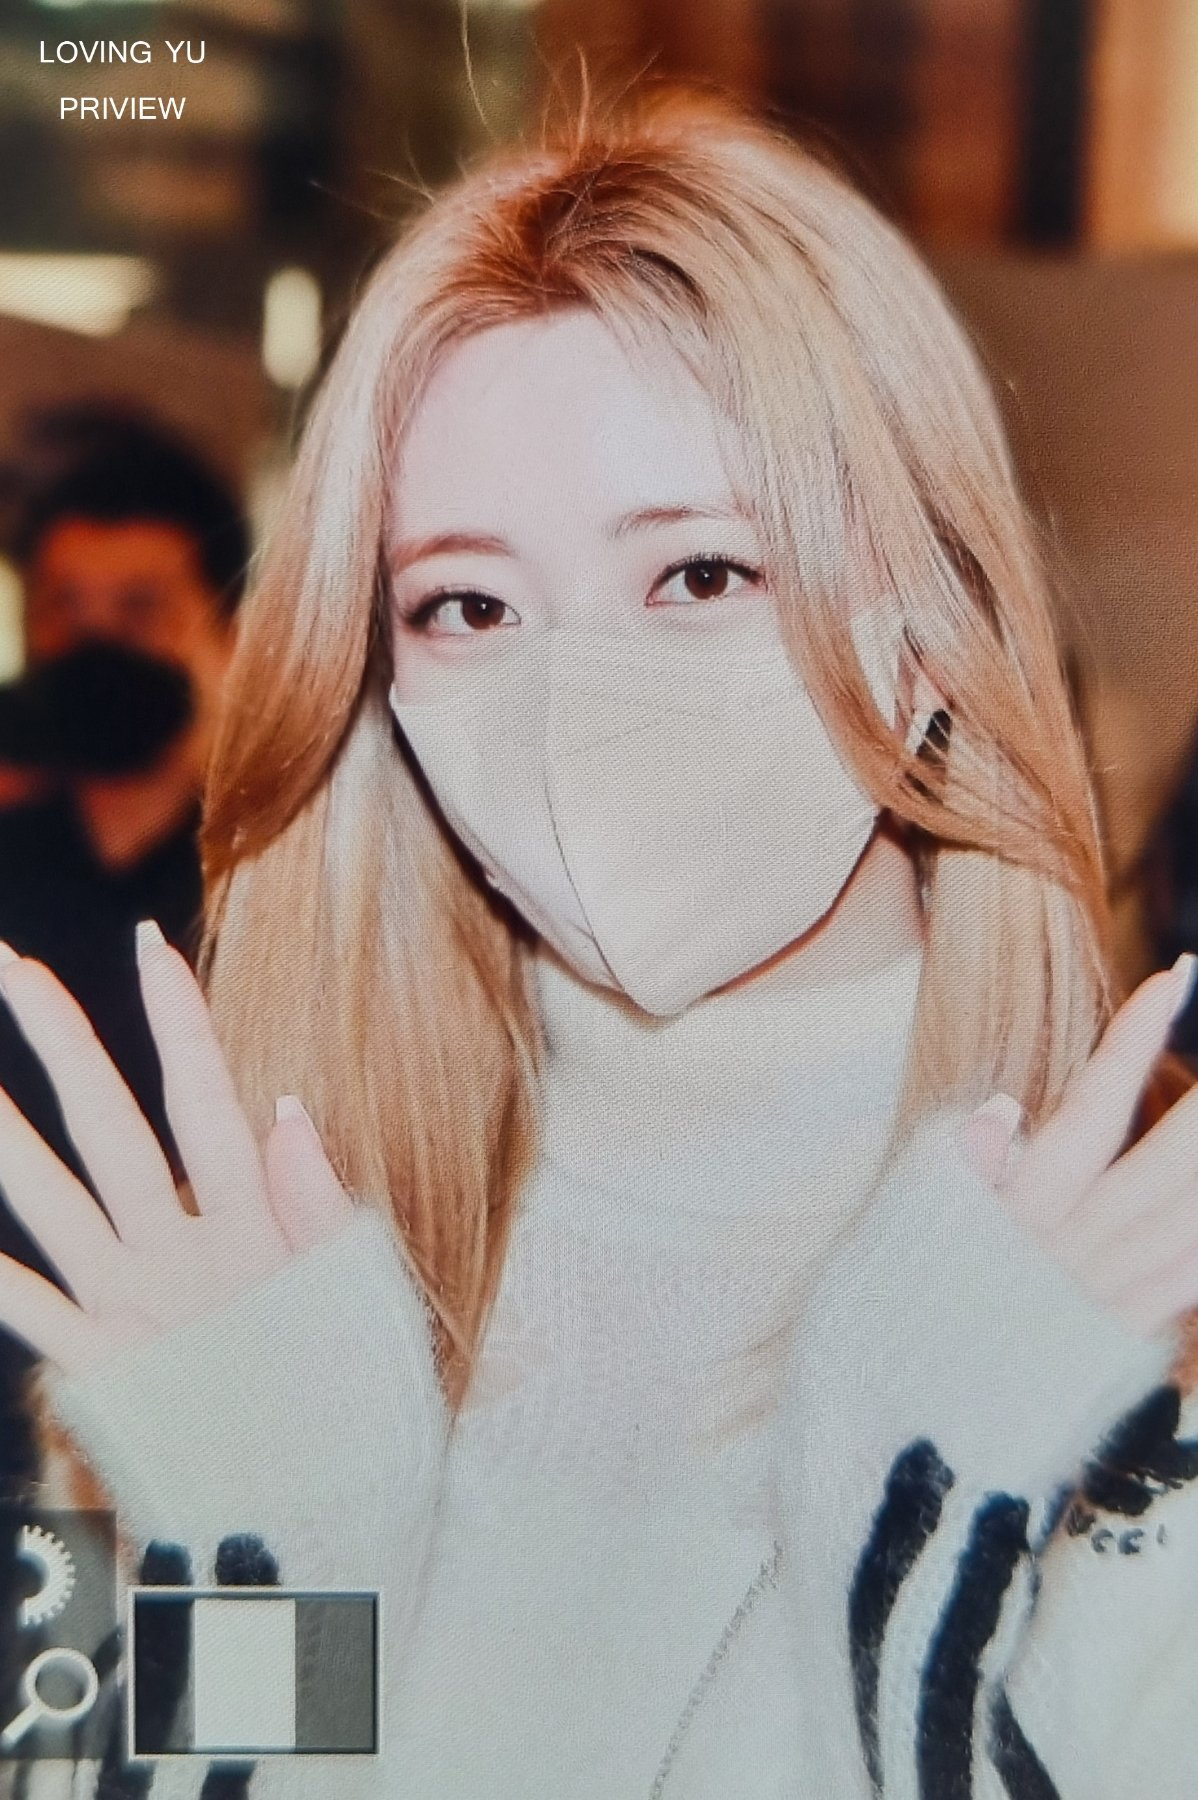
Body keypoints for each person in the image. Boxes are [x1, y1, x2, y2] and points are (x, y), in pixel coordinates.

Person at [0, 89, 1196, 1799]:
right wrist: (278, 1571)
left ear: (924, 629)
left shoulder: (1131, 1295)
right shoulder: (254, 1285)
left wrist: (915, 1537)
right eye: (468, 604)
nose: (574, 700)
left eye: (699, 574)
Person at [0, 422, 246, 1499]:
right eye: (64, 607)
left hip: (191, 1441)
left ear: (226, 636)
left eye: (140, 609)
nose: (93, 643)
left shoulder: (277, 896)